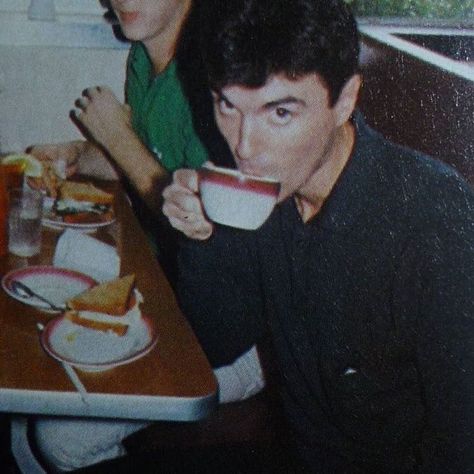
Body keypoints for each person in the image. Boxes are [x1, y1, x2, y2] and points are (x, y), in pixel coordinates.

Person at [162, 0, 474, 472]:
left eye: (280, 113)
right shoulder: (264, 196)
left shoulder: (434, 221)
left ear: (345, 100)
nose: (245, 148)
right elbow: (214, 343)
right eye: (228, 104)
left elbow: (463, 443)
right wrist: (204, 235)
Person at [28, 1, 262, 472]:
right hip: (163, 291)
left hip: (237, 334)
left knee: (60, 437)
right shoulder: (144, 56)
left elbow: (201, 227)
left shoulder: (215, 76)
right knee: (39, 296)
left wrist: (117, 136)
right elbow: (139, 159)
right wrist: (75, 154)